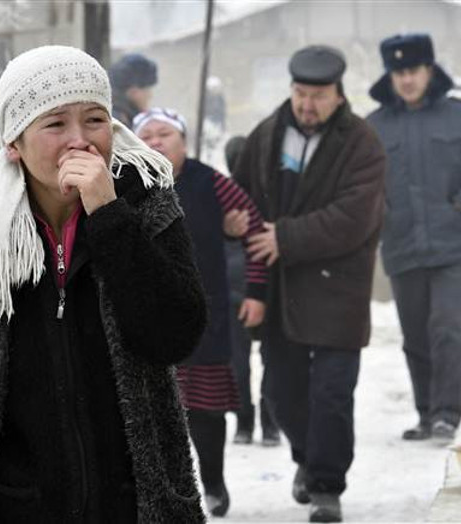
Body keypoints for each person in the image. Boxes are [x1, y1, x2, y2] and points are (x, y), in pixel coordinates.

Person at [0, 46, 208, 523]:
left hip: (135, 506)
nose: (80, 141)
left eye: (94, 120)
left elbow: (174, 336)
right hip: (11, 509)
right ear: (14, 143)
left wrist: (109, 217)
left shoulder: (146, 212)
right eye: (55, 124)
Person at [230, 45, 386, 523]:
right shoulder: (268, 133)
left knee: (333, 394)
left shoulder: (362, 144)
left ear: (339, 95)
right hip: (280, 288)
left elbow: (354, 217)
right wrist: (233, 221)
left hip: (338, 289)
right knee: (281, 389)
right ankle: (306, 458)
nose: (307, 105)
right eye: (300, 94)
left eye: (318, 96)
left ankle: (325, 486)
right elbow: (242, 191)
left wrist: (287, 236)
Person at [367, 34, 461, 443]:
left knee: (447, 327)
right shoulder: (374, 126)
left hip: (454, 245)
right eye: (399, 73)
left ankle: (447, 413)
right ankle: (426, 413)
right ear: (389, 77)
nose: (407, 79)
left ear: (430, 70)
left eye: (413, 71)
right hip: (402, 244)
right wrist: (383, 218)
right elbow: (362, 185)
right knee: (415, 335)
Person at [134, 108, 267, 518]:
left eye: (166, 134)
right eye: (148, 136)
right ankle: (171, 493)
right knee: (152, 413)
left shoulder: (212, 183)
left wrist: (256, 292)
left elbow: (256, 229)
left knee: (206, 410)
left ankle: (213, 481)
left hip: (204, 314)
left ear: (184, 142)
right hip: (147, 317)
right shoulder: (124, 187)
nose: (156, 142)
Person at [223, 135, 280, 447]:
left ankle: (262, 421)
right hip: (239, 291)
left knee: (256, 361)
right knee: (242, 363)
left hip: (263, 290)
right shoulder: (224, 196)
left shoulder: (276, 195)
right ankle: (254, 421)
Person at [109, 53, 158, 127]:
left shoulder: (125, 116)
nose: (149, 96)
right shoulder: (117, 121)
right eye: (146, 90)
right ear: (133, 91)